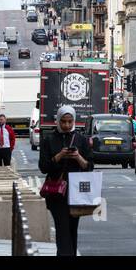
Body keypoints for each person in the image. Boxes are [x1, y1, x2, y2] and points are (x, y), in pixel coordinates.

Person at [38, 106, 94, 257]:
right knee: (62, 229)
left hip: (76, 193)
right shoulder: (48, 140)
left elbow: (89, 167)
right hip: (57, 193)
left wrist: (77, 157)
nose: (67, 125)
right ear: (58, 121)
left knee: (71, 230)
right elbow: (43, 167)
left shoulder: (81, 140)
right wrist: (59, 155)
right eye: (63, 121)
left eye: (70, 122)